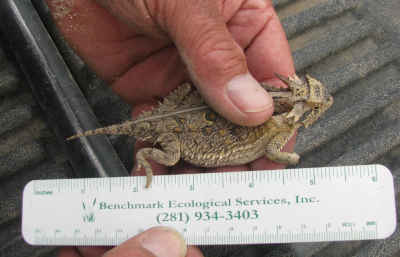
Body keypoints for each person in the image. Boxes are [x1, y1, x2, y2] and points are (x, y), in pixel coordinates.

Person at [45, 0, 296, 256]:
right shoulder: (272, 116)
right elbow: (275, 150)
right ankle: (145, 154)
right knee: (173, 156)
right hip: (174, 129)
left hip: (176, 112)